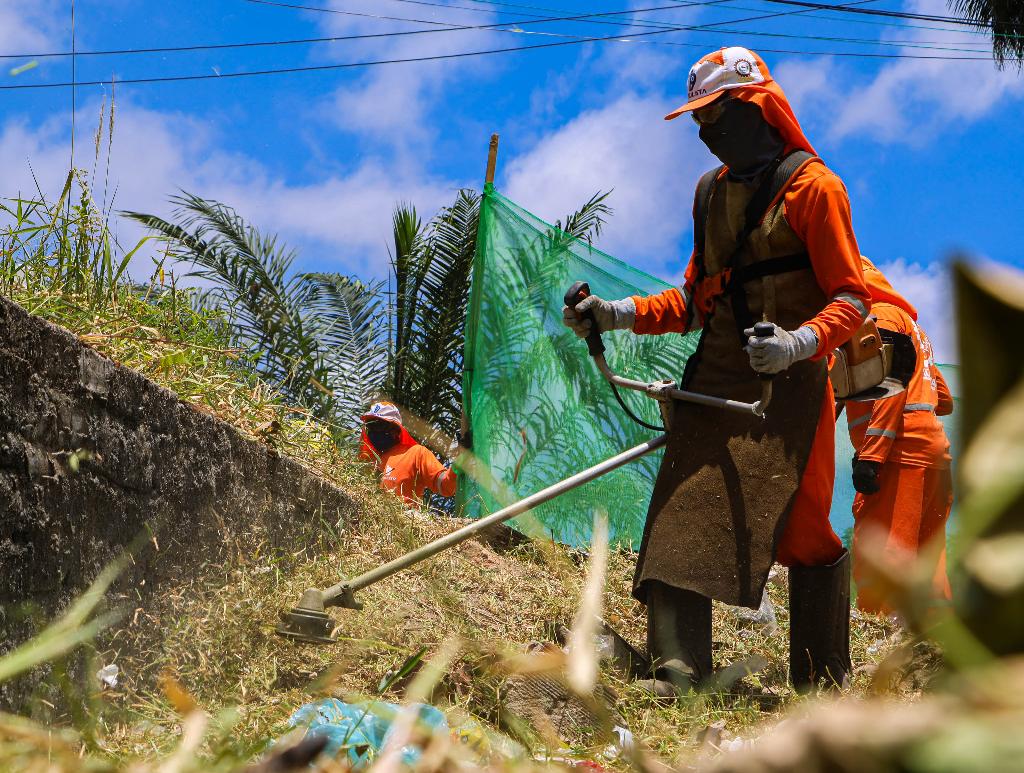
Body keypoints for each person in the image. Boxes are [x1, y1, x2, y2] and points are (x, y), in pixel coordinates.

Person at [562, 46, 871, 694]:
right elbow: (697, 299)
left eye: (718, 116)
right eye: (700, 122)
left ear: (758, 107)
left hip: (793, 383)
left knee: (805, 525)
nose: (708, 133)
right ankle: (679, 671)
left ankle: (824, 682)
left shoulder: (817, 190)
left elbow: (851, 296)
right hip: (716, 375)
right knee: (679, 507)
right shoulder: (709, 196)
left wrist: (798, 341)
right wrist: (614, 313)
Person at [846, 258, 954, 616]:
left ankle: (879, 640)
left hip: (899, 454)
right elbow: (945, 399)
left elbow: (889, 391)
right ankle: (936, 649)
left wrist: (871, 456)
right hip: (935, 453)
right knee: (928, 559)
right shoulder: (915, 330)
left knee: (884, 551)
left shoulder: (880, 318)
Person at [359, 401, 461, 505]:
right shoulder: (367, 460)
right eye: (370, 426)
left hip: (404, 519)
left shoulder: (416, 453)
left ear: (395, 429)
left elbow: (445, 486)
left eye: (379, 425)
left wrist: (460, 458)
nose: (374, 431)